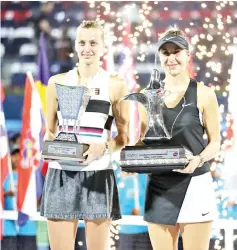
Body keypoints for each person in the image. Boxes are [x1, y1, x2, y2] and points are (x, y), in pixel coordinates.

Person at [40, 20, 130, 250]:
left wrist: (104, 147)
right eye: (82, 42)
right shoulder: (57, 82)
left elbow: (124, 138)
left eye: (93, 42)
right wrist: (51, 147)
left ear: (102, 47)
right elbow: (50, 131)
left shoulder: (115, 85)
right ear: (75, 45)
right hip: (61, 174)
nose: (87, 48)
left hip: (98, 175)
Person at [138, 26, 221, 250]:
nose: (171, 58)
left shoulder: (204, 93)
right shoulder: (147, 96)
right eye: (166, 53)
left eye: (177, 51)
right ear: (159, 56)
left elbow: (215, 143)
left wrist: (198, 160)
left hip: (195, 183)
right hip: (159, 186)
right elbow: (143, 142)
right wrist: (131, 161)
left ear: (187, 55)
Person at [2, 144, 37, 250]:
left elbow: (39, 197)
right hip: (8, 227)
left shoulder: (31, 176)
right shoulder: (3, 176)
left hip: (27, 227)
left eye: (19, 155)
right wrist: (6, 194)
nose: (17, 158)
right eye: (14, 155)